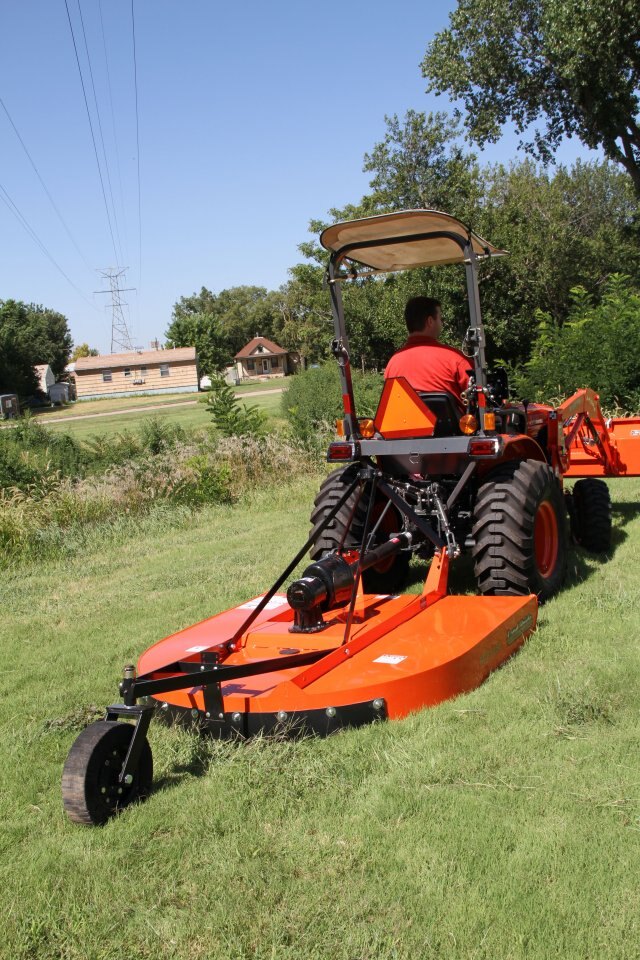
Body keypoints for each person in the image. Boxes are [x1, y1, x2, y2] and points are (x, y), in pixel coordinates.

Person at [384, 296, 470, 406]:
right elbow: (477, 396)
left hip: (408, 423)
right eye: (440, 319)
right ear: (430, 321)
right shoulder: (455, 359)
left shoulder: (392, 365)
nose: (441, 323)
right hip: (449, 423)